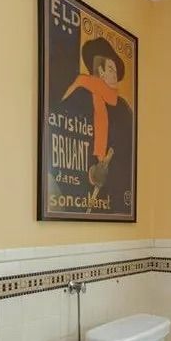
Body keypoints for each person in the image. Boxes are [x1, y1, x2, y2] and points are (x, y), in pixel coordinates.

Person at [59, 36, 134, 214]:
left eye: (116, 69)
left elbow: (127, 147)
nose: (115, 74)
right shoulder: (81, 95)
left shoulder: (123, 107)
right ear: (100, 72)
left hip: (117, 188)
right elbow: (70, 134)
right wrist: (93, 170)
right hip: (85, 189)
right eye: (110, 69)